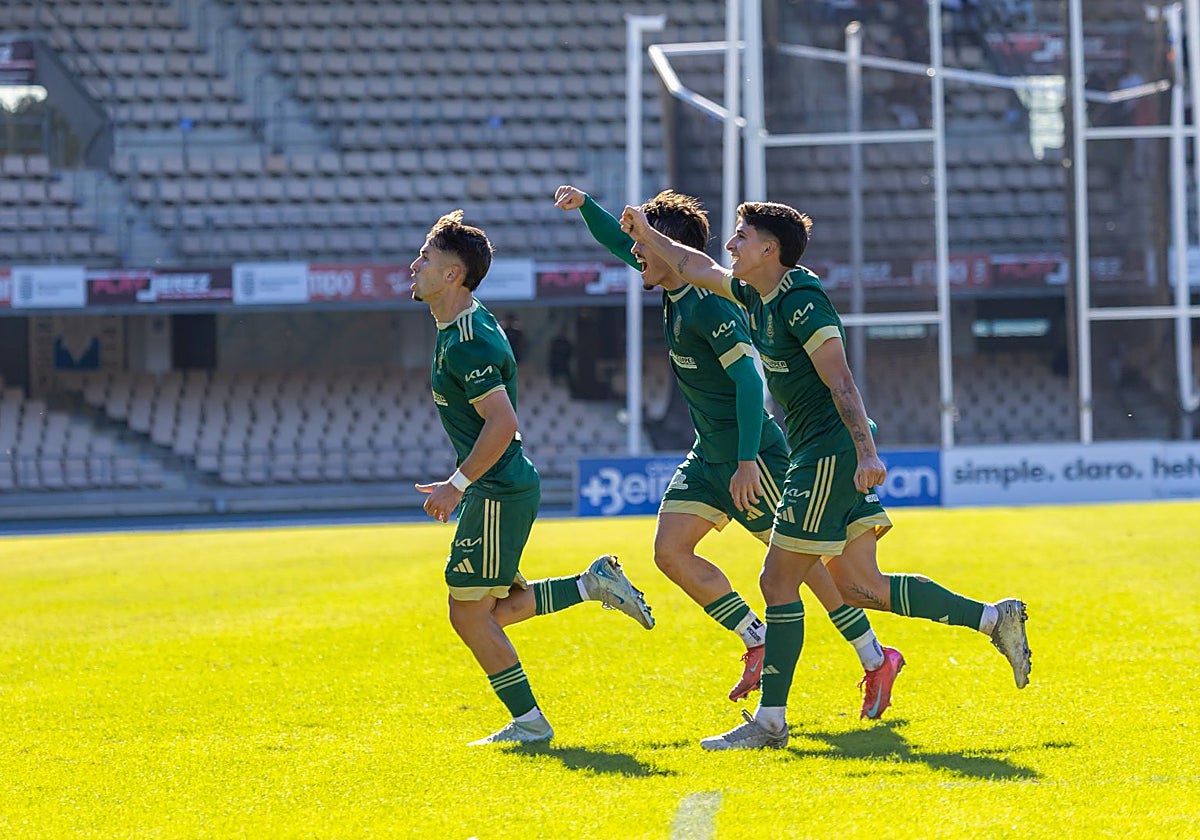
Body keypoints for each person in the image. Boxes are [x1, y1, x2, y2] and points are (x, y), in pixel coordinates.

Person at [620, 200, 1031, 751]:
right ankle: (993, 619)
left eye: (741, 236)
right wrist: (644, 231)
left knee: (777, 581)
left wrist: (866, 453)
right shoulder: (757, 296)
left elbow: (842, 383)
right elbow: (693, 266)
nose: (730, 245)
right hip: (817, 452)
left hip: (827, 455)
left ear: (770, 249)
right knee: (861, 587)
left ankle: (769, 723)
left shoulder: (801, 303)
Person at [555, 185, 901, 717]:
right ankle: (755, 637)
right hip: (710, 453)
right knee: (670, 551)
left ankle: (874, 657)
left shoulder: (708, 303)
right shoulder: (667, 278)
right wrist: (587, 209)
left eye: (643, 244)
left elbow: (747, 382)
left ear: (667, 246)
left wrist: (744, 462)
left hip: (751, 456)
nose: (633, 254)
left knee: (806, 569)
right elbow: (618, 241)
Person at [411, 210, 655, 746]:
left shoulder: (469, 341)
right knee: (486, 610)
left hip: (498, 489)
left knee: (469, 614)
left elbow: (503, 422)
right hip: (501, 487)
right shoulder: (460, 326)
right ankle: (591, 584)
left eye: (426, 258)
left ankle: (531, 724)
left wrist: (458, 483)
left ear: (453, 274)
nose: (415, 266)